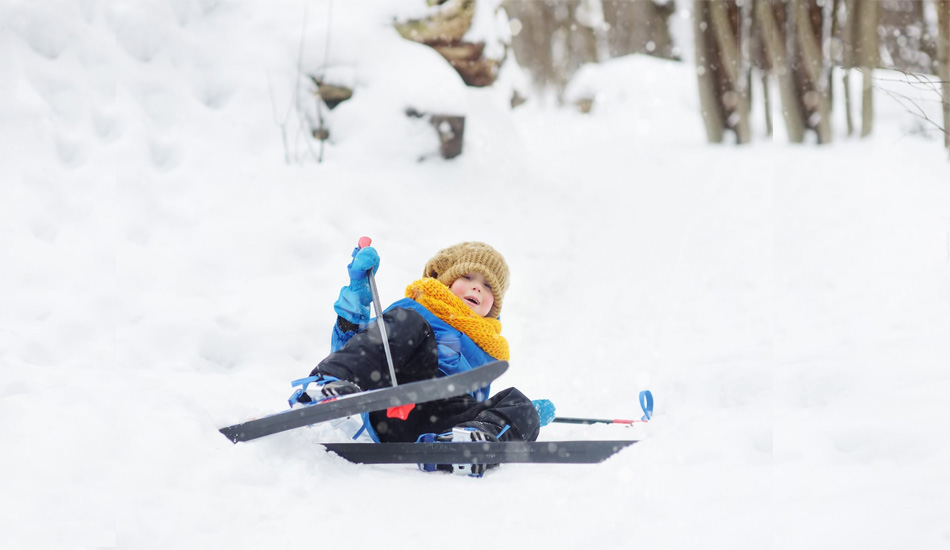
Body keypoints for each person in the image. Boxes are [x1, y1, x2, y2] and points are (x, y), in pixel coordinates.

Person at [294, 241, 543, 474]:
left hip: (443, 422)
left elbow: (479, 399)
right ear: (447, 280)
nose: (477, 286)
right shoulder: (417, 307)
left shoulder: (489, 346)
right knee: (409, 323)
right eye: (467, 276)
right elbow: (355, 345)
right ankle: (327, 384)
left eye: (488, 285)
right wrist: (356, 293)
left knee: (520, 403)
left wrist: (524, 415)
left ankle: (471, 443)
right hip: (395, 398)